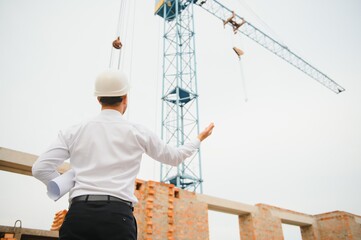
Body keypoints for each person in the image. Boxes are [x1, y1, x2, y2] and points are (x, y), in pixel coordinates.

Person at [32, 69, 214, 240]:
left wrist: (66, 185)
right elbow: (174, 157)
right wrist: (198, 139)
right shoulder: (137, 132)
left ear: (98, 99)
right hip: (118, 217)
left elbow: (40, 168)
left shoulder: (74, 131)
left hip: (80, 215)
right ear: (125, 98)